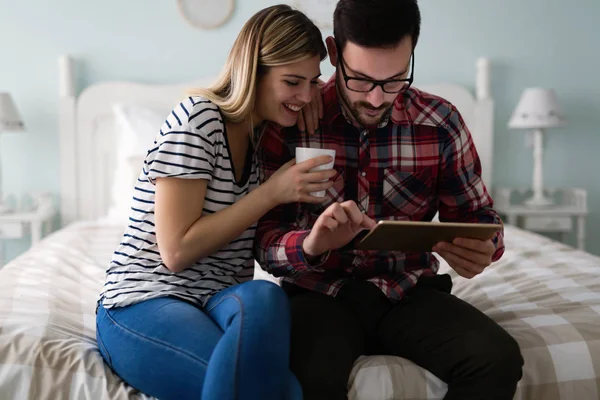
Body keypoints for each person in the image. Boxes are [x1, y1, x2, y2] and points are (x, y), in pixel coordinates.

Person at [255, 1, 524, 399]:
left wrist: (486, 245)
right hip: (318, 294)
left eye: (395, 79)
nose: (378, 99)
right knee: (303, 376)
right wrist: (310, 245)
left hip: (408, 293)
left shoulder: (441, 123)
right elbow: (263, 242)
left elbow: (477, 215)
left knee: (497, 359)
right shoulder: (291, 118)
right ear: (333, 53)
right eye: (360, 80)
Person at [95, 5, 332, 400]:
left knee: (267, 294)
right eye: (293, 82)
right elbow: (175, 251)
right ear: (252, 71)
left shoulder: (266, 138)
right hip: (147, 298)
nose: (305, 95)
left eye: (313, 82)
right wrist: (271, 192)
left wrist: (316, 101)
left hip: (216, 298)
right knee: (282, 392)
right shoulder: (198, 119)